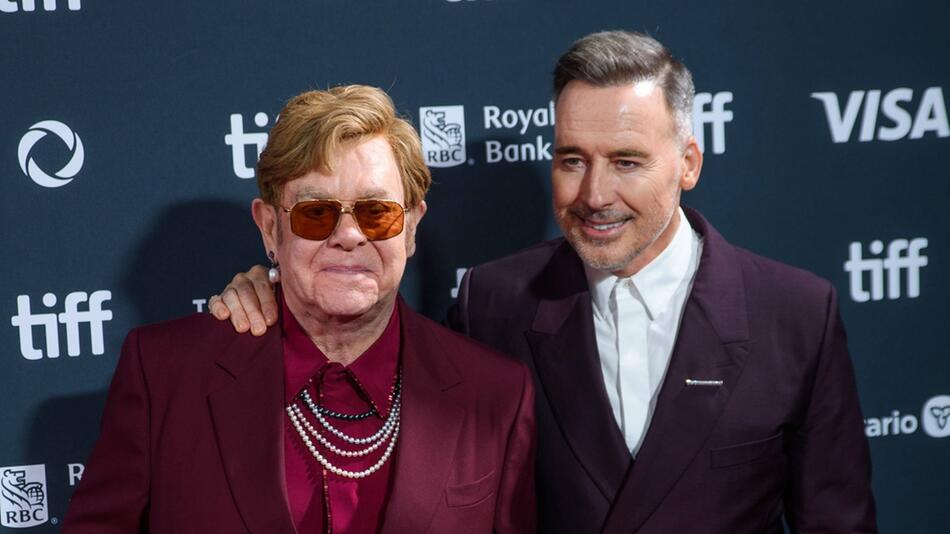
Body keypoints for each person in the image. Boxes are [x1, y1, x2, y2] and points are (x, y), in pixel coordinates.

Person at [211, 32, 877, 533]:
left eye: (626, 161)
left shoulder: (794, 314)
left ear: (688, 163)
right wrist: (278, 296)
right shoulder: (494, 303)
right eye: (571, 160)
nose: (595, 194)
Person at [63, 85, 536, 534]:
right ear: (270, 229)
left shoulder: (494, 394)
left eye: (376, 213)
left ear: (410, 228)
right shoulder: (166, 374)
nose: (349, 236)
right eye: (316, 214)